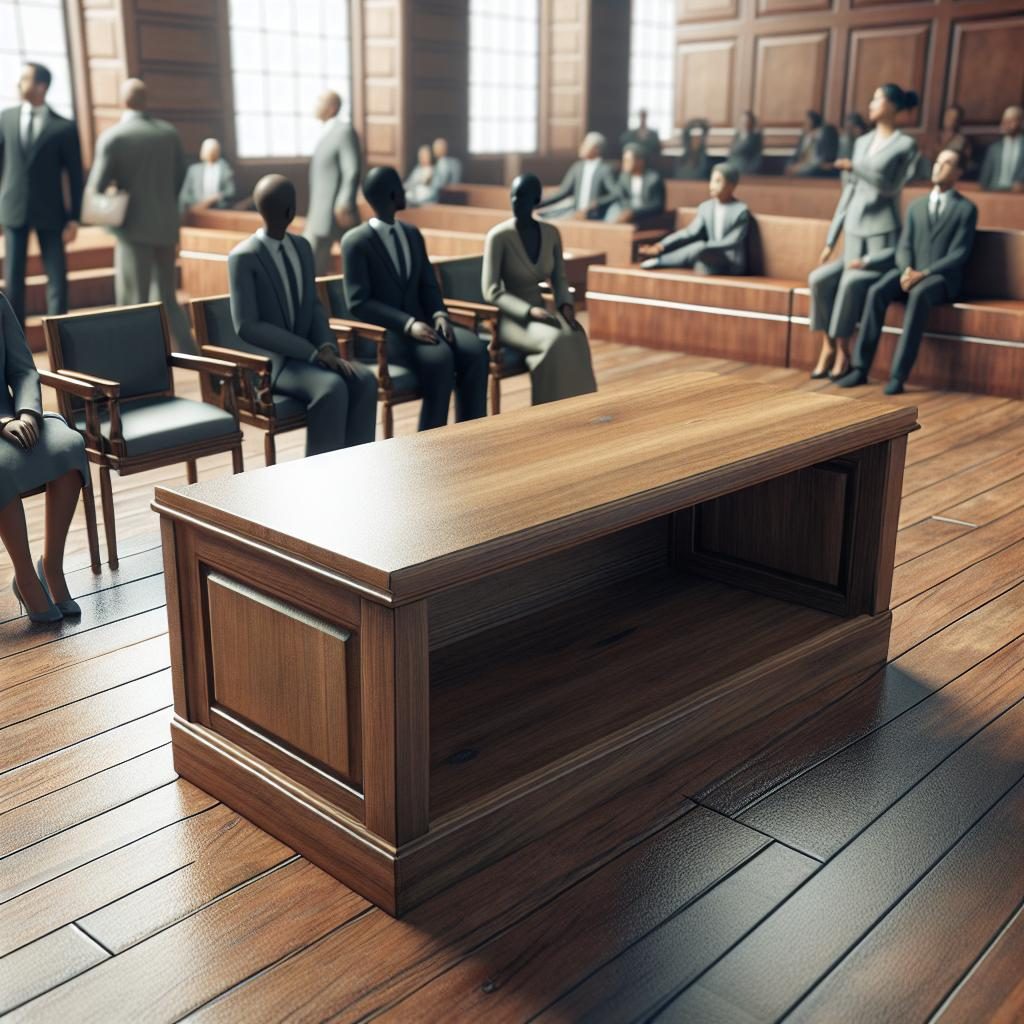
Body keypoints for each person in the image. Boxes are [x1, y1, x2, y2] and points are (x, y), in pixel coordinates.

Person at [228, 175, 376, 457]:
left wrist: (327, 347)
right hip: (273, 364)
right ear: (291, 210)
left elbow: (314, 305)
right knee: (331, 387)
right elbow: (247, 327)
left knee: (364, 380)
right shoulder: (243, 257)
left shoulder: (302, 248)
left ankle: (358, 464)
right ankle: (320, 477)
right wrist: (311, 353)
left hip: (312, 356)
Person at [342, 166, 487, 431]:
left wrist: (440, 314)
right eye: (400, 186)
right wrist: (408, 324)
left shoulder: (411, 233)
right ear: (391, 194)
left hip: (427, 325)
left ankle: (471, 432)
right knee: (440, 358)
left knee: (475, 350)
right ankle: (431, 443)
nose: (404, 190)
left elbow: (428, 284)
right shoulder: (356, 242)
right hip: (389, 334)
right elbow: (359, 302)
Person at [837, 148, 977, 395]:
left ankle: (898, 376)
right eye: (937, 161)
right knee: (877, 290)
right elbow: (904, 245)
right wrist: (906, 270)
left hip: (941, 280)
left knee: (919, 294)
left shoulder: (966, 209)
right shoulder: (916, 205)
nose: (938, 166)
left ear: (959, 172)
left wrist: (923, 273)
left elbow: (959, 254)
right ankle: (860, 368)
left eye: (947, 163)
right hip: (909, 272)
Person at [806, 84, 920, 380]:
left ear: (893, 105)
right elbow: (848, 194)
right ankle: (828, 344)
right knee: (818, 279)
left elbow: (890, 187)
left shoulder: (905, 145)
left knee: (851, 282)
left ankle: (843, 349)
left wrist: (855, 167)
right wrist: (831, 238)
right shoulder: (861, 142)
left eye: (877, 98)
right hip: (854, 232)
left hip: (881, 234)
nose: (871, 103)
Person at [86, 78, 193, 353]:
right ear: (146, 101)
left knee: (135, 300)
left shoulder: (115, 137)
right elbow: (180, 177)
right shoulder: (169, 134)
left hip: (132, 229)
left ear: (123, 101)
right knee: (168, 297)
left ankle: (139, 357)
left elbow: (96, 189)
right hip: (166, 226)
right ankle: (192, 354)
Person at [0, 290, 89, 623]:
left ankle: (51, 566)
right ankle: (25, 577)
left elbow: (23, 369)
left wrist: (26, 413)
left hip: (18, 416)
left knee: (68, 446)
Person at [481, 173, 596, 406]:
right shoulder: (498, 237)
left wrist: (565, 306)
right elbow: (491, 290)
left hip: (543, 310)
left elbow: (560, 278)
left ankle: (580, 407)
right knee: (554, 340)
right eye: (513, 195)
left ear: (536, 200)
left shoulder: (551, 233)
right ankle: (548, 409)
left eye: (522, 196)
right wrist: (529, 312)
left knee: (576, 336)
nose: (516, 201)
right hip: (512, 319)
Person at [0, 62, 83, 328]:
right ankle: (16, 345)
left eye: (24, 79)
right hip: (13, 210)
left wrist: (75, 218)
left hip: (52, 213)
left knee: (57, 278)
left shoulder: (64, 127)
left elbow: (76, 176)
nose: (18, 83)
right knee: (13, 280)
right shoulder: (5, 119)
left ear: (41, 86)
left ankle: (59, 337)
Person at [638, 164, 750, 274]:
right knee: (700, 256)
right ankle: (659, 256)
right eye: (711, 180)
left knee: (700, 247)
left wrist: (704, 247)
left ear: (732, 186)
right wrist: (661, 245)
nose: (712, 185)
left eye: (718, 181)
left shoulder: (741, 211)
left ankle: (660, 261)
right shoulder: (706, 207)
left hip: (730, 263)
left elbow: (732, 241)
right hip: (709, 260)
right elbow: (690, 232)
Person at [305, 90, 362, 274]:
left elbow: (351, 169)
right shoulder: (326, 131)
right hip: (320, 211)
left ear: (332, 107)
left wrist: (344, 202)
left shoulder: (343, 131)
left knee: (354, 259)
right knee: (314, 264)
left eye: (319, 100)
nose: (315, 105)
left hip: (336, 211)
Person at [536, 132, 617, 220]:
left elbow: (615, 193)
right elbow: (563, 192)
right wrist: (537, 204)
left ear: (596, 149)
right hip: (576, 214)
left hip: (596, 217)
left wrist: (597, 202)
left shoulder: (605, 169)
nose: (581, 148)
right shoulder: (577, 167)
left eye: (585, 145)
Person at [601, 144, 666, 226]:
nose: (624, 164)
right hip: (627, 217)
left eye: (627, 160)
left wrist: (634, 213)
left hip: (646, 218)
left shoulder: (653, 179)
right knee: (613, 210)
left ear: (640, 162)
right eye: (623, 160)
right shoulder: (624, 177)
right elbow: (619, 196)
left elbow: (657, 206)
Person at [179, 137, 236, 213]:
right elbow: (184, 195)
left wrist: (215, 198)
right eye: (208, 149)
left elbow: (231, 191)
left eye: (214, 150)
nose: (211, 152)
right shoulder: (194, 170)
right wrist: (199, 203)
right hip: (197, 211)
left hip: (219, 210)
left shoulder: (225, 169)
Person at [979, 105, 1024, 192]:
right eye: (1004, 121)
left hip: (1018, 195)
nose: (1005, 124)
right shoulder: (994, 148)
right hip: (993, 192)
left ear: (1021, 122)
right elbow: (984, 178)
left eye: (1011, 121)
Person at [786, 111, 839, 177]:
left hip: (817, 165)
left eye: (807, 121)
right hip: (802, 164)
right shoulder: (804, 136)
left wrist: (799, 167)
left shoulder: (826, 132)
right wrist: (792, 165)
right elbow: (797, 155)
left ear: (812, 121)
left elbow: (824, 157)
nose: (804, 123)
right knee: (788, 168)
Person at [935, 105, 974, 177]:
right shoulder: (934, 136)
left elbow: (963, 164)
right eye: (947, 116)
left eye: (953, 117)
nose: (948, 119)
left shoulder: (961, 140)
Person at [728, 111, 762, 175]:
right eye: (742, 121)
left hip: (748, 172)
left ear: (751, 123)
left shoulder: (756, 137)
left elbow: (757, 157)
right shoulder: (737, 135)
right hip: (733, 170)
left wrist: (751, 171)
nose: (744, 123)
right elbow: (731, 153)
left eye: (747, 121)